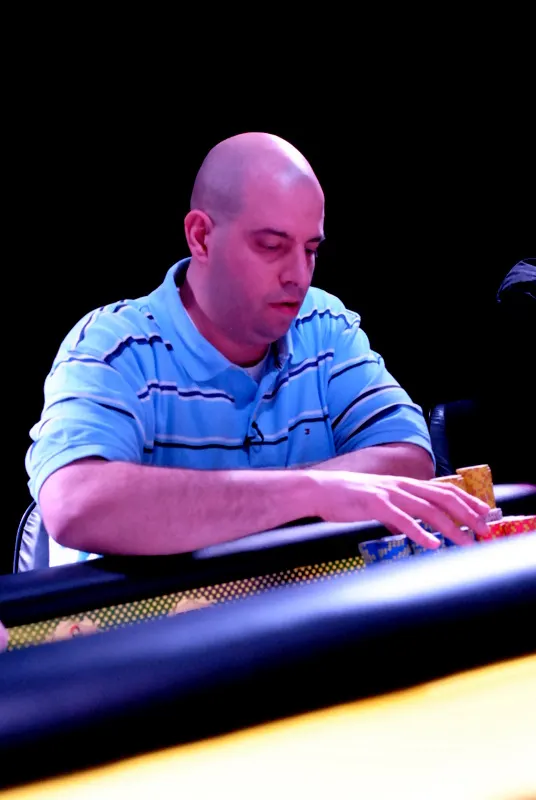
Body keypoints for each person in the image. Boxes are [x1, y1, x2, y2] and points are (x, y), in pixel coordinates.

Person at [26, 132, 490, 567]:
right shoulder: (114, 347)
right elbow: (76, 503)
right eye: (271, 246)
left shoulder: (323, 323)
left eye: (310, 250)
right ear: (201, 237)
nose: (298, 275)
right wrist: (310, 491)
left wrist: (257, 501)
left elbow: (408, 455)